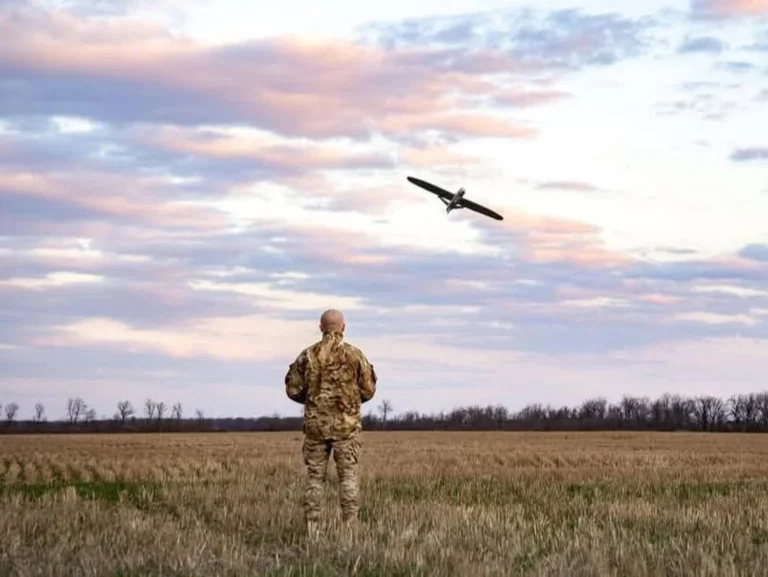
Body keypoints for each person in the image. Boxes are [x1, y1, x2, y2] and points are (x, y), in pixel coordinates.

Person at [284, 309, 377, 533]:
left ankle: (312, 529)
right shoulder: (355, 355)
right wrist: (348, 402)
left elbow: (292, 389)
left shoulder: (308, 356)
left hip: (316, 428)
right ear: (343, 327)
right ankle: (350, 528)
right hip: (347, 427)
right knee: (348, 478)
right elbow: (369, 389)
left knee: (315, 479)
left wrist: (313, 401)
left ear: (320, 327)